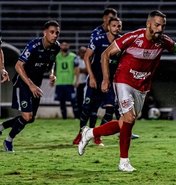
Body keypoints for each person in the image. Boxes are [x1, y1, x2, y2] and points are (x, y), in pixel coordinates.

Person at [78, 10, 176, 172]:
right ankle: (124, 162)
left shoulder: (164, 41)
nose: (160, 29)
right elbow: (105, 54)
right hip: (123, 80)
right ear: (148, 24)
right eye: (157, 25)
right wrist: (106, 79)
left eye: (163, 26)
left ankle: (89, 133)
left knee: (125, 123)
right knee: (129, 118)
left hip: (142, 86)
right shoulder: (133, 37)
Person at [0, 20, 60, 152]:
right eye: (52, 32)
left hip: (35, 84)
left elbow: (52, 62)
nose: (55, 35)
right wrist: (31, 85)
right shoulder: (33, 45)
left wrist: (52, 74)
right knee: (27, 116)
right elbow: (18, 65)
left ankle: (2, 126)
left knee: (30, 119)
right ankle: (8, 141)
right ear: (44, 33)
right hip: (23, 82)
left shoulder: (56, 47)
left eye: (57, 33)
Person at [73, 17, 122, 146]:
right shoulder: (99, 39)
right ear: (109, 27)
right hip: (95, 79)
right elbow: (86, 57)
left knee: (110, 110)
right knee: (87, 108)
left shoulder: (122, 42)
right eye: (114, 25)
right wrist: (92, 77)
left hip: (110, 82)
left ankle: (97, 135)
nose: (117, 28)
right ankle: (81, 133)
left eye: (119, 26)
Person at [53, 41, 80, 119]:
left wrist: (77, 80)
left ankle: (76, 117)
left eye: (66, 45)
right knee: (61, 101)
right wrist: (52, 79)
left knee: (73, 101)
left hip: (70, 82)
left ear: (68, 46)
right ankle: (64, 118)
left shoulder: (73, 56)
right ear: (60, 46)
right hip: (59, 82)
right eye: (63, 45)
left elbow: (77, 69)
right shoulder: (56, 56)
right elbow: (54, 69)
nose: (64, 46)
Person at [75, 46, 87, 115]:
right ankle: (79, 114)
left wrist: (80, 70)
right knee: (79, 99)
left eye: (84, 52)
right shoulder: (76, 59)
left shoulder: (88, 59)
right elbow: (75, 70)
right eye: (82, 52)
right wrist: (83, 70)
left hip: (86, 82)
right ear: (79, 52)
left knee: (85, 99)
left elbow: (87, 70)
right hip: (78, 82)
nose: (83, 53)